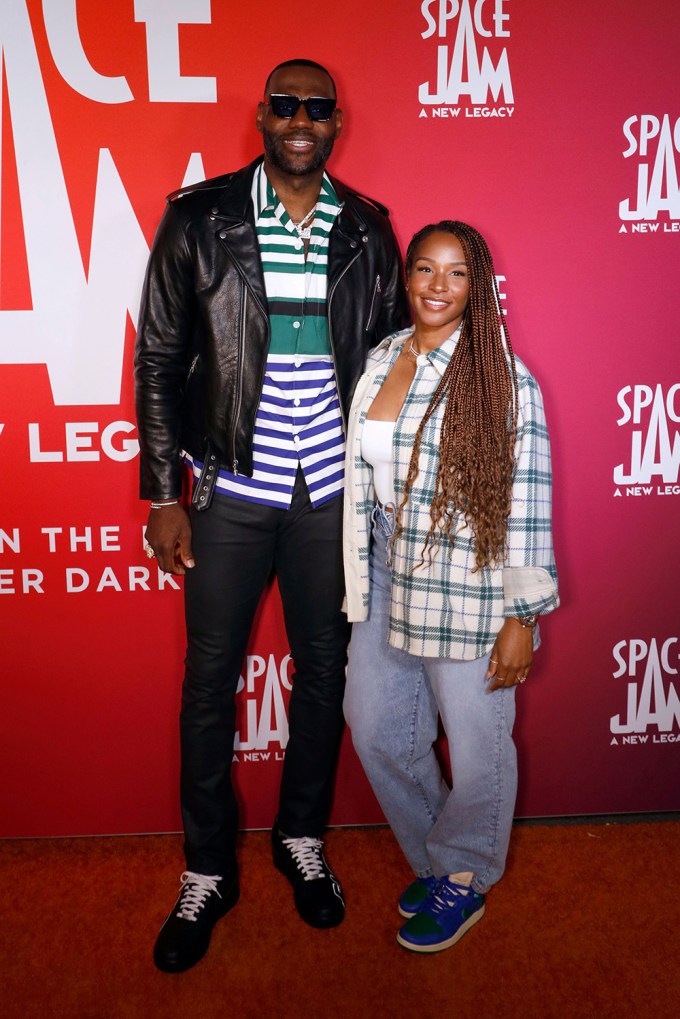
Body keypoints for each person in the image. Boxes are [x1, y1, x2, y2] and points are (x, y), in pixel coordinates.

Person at [134, 58, 409, 973]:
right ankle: (208, 866)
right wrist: (162, 492)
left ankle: (302, 839)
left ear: (336, 122)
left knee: (323, 673)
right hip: (228, 494)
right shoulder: (199, 217)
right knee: (210, 680)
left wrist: (385, 487)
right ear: (261, 115)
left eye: (316, 108)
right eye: (284, 105)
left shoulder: (369, 229)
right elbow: (162, 358)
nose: (300, 119)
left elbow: (386, 366)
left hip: (331, 498)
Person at [343, 221, 559, 953]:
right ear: (406, 278)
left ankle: (461, 876)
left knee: (477, 745)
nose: (437, 285)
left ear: (479, 285)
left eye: (457, 273)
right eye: (425, 269)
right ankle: (443, 851)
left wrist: (522, 614)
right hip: (384, 564)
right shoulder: (382, 357)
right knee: (374, 725)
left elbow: (528, 498)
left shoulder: (500, 376)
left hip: (470, 579)